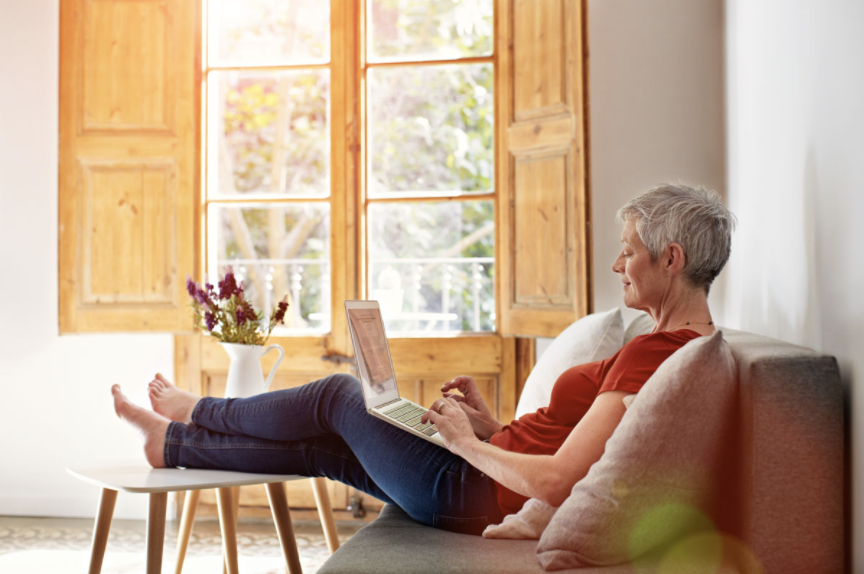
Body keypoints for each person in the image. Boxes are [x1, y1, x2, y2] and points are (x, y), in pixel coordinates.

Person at [112, 182, 736, 535]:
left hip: (468, 489)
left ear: (672, 259)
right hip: (476, 474)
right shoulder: (676, 348)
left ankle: (202, 409)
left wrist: (465, 443)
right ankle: (169, 444)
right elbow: (563, 445)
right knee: (323, 447)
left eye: (628, 253)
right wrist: (491, 427)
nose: (617, 265)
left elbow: (560, 481)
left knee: (337, 395)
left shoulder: (661, 354)